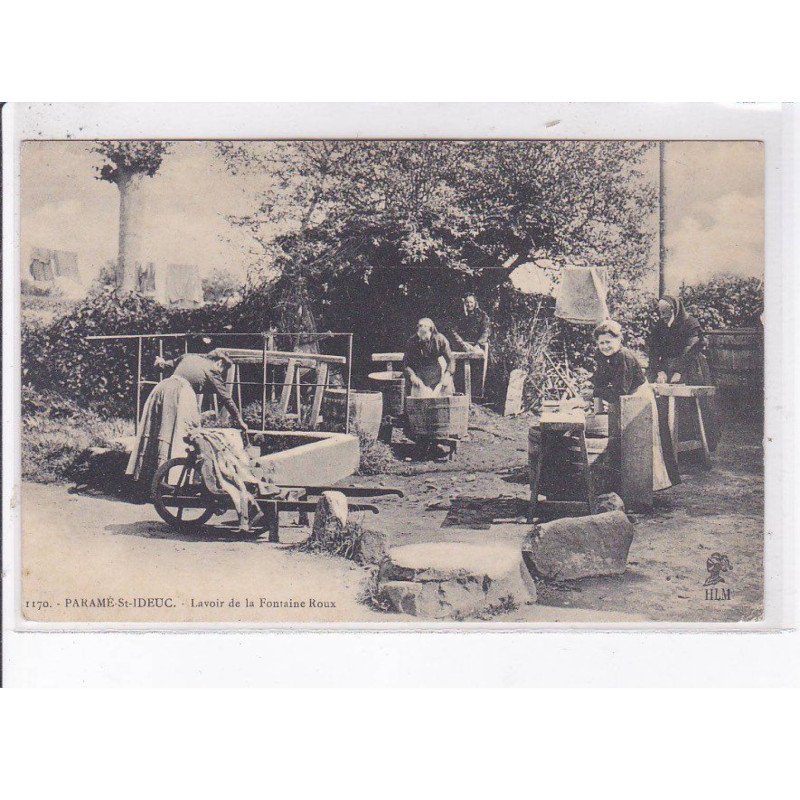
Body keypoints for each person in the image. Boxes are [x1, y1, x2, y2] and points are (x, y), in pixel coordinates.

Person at [126, 349, 247, 494]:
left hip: (161, 389)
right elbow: (226, 397)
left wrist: (159, 362)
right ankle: (172, 481)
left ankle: (147, 479)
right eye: (223, 369)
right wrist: (239, 419)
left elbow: (162, 365)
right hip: (180, 393)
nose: (221, 373)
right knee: (184, 434)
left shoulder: (188, 356)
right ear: (219, 362)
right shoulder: (212, 369)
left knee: (156, 431)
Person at [588, 319, 676, 491]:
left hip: (639, 400)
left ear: (619, 340)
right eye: (601, 343)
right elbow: (601, 378)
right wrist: (594, 388)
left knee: (644, 442)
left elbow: (620, 390)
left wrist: (595, 392)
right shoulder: (605, 356)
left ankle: (649, 485)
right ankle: (633, 484)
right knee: (630, 442)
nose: (605, 346)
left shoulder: (623, 356)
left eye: (608, 342)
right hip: (629, 400)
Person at [647, 295, 721, 452]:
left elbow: (690, 350)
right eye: (661, 312)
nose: (664, 316)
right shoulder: (660, 325)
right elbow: (653, 350)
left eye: (667, 312)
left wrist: (679, 372)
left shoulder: (690, 324)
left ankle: (696, 447)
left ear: (675, 309)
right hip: (666, 367)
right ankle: (668, 446)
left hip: (690, 367)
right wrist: (659, 370)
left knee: (689, 404)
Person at [402, 318, 456, 398]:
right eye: (421, 336)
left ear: (431, 330)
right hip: (420, 374)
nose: (423, 339)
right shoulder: (412, 341)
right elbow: (406, 364)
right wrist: (412, 376)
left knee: (445, 392)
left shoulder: (440, 339)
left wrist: (447, 375)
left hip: (438, 373)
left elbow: (450, 360)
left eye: (425, 335)